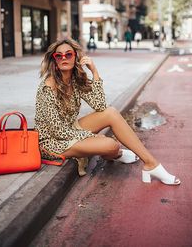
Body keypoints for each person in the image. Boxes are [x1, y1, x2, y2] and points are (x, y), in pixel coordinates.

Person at [35, 38, 180, 185]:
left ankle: (151, 164)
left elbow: (100, 105)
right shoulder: (48, 86)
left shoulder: (74, 80)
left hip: (69, 129)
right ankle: (115, 154)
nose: (63, 58)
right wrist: (91, 137)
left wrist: (94, 71)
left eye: (68, 54)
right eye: (58, 56)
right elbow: (57, 131)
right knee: (111, 145)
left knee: (110, 112)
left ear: (76, 57)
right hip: (52, 142)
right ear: (54, 60)